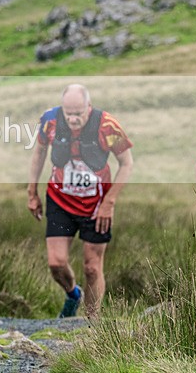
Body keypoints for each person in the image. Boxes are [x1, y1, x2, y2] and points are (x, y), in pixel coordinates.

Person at [27, 84, 134, 318]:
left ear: (89, 107)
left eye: (78, 113)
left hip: (96, 205)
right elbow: (39, 153)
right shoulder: (49, 121)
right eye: (69, 113)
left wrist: (110, 202)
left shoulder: (107, 126)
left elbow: (126, 163)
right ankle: (73, 294)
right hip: (60, 200)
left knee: (92, 268)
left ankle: (91, 324)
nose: (73, 119)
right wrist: (32, 191)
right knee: (56, 263)